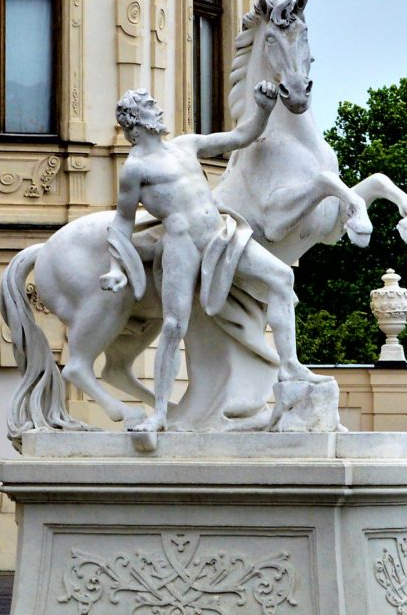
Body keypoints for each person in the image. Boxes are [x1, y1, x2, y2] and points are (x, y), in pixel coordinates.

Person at [100, 85, 322, 441]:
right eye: (151, 106)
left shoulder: (186, 145)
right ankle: (160, 415)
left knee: (282, 278)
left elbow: (241, 136)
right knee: (174, 325)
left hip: (221, 235)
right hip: (182, 244)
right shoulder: (135, 169)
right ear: (135, 120)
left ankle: (291, 367)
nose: (159, 109)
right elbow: (123, 220)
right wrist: (116, 266)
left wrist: (263, 109)